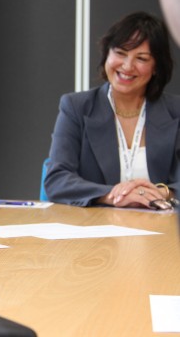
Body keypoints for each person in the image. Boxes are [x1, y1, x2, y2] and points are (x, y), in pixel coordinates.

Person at [44, 11, 180, 209]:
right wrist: (112, 195)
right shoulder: (76, 107)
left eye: (141, 58)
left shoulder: (176, 111)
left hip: (163, 228)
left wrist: (161, 193)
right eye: (120, 53)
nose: (127, 66)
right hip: (96, 228)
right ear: (107, 54)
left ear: (156, 67)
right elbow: (56, 180)